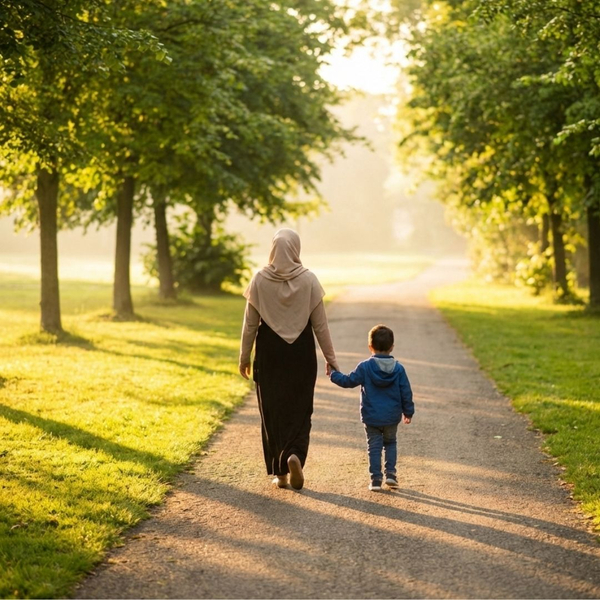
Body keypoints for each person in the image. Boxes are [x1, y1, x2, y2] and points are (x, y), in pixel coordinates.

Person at [239, 229, 338, 490]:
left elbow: (250, 325)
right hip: (300, 353)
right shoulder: (310, 280)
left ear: (273, 249)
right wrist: (331, 358)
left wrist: (244, 356)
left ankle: (280, 473)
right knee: (300, 408)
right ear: (296, 249)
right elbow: (321, 326)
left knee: (271, 411)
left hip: (270, 353)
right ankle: (295, 454)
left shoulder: (259, 279)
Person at [329, 324, 414, 491]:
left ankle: (375, 480)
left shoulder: (365, 367)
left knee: (374, 446)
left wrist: (333, 374)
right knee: (390, 443)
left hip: (371, 416)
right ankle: (390, 474)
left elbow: (348, 381)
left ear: (370, 347)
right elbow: (406, 391)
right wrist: (408, 411)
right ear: (392, 347)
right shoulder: (399, 369)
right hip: (391, 416)